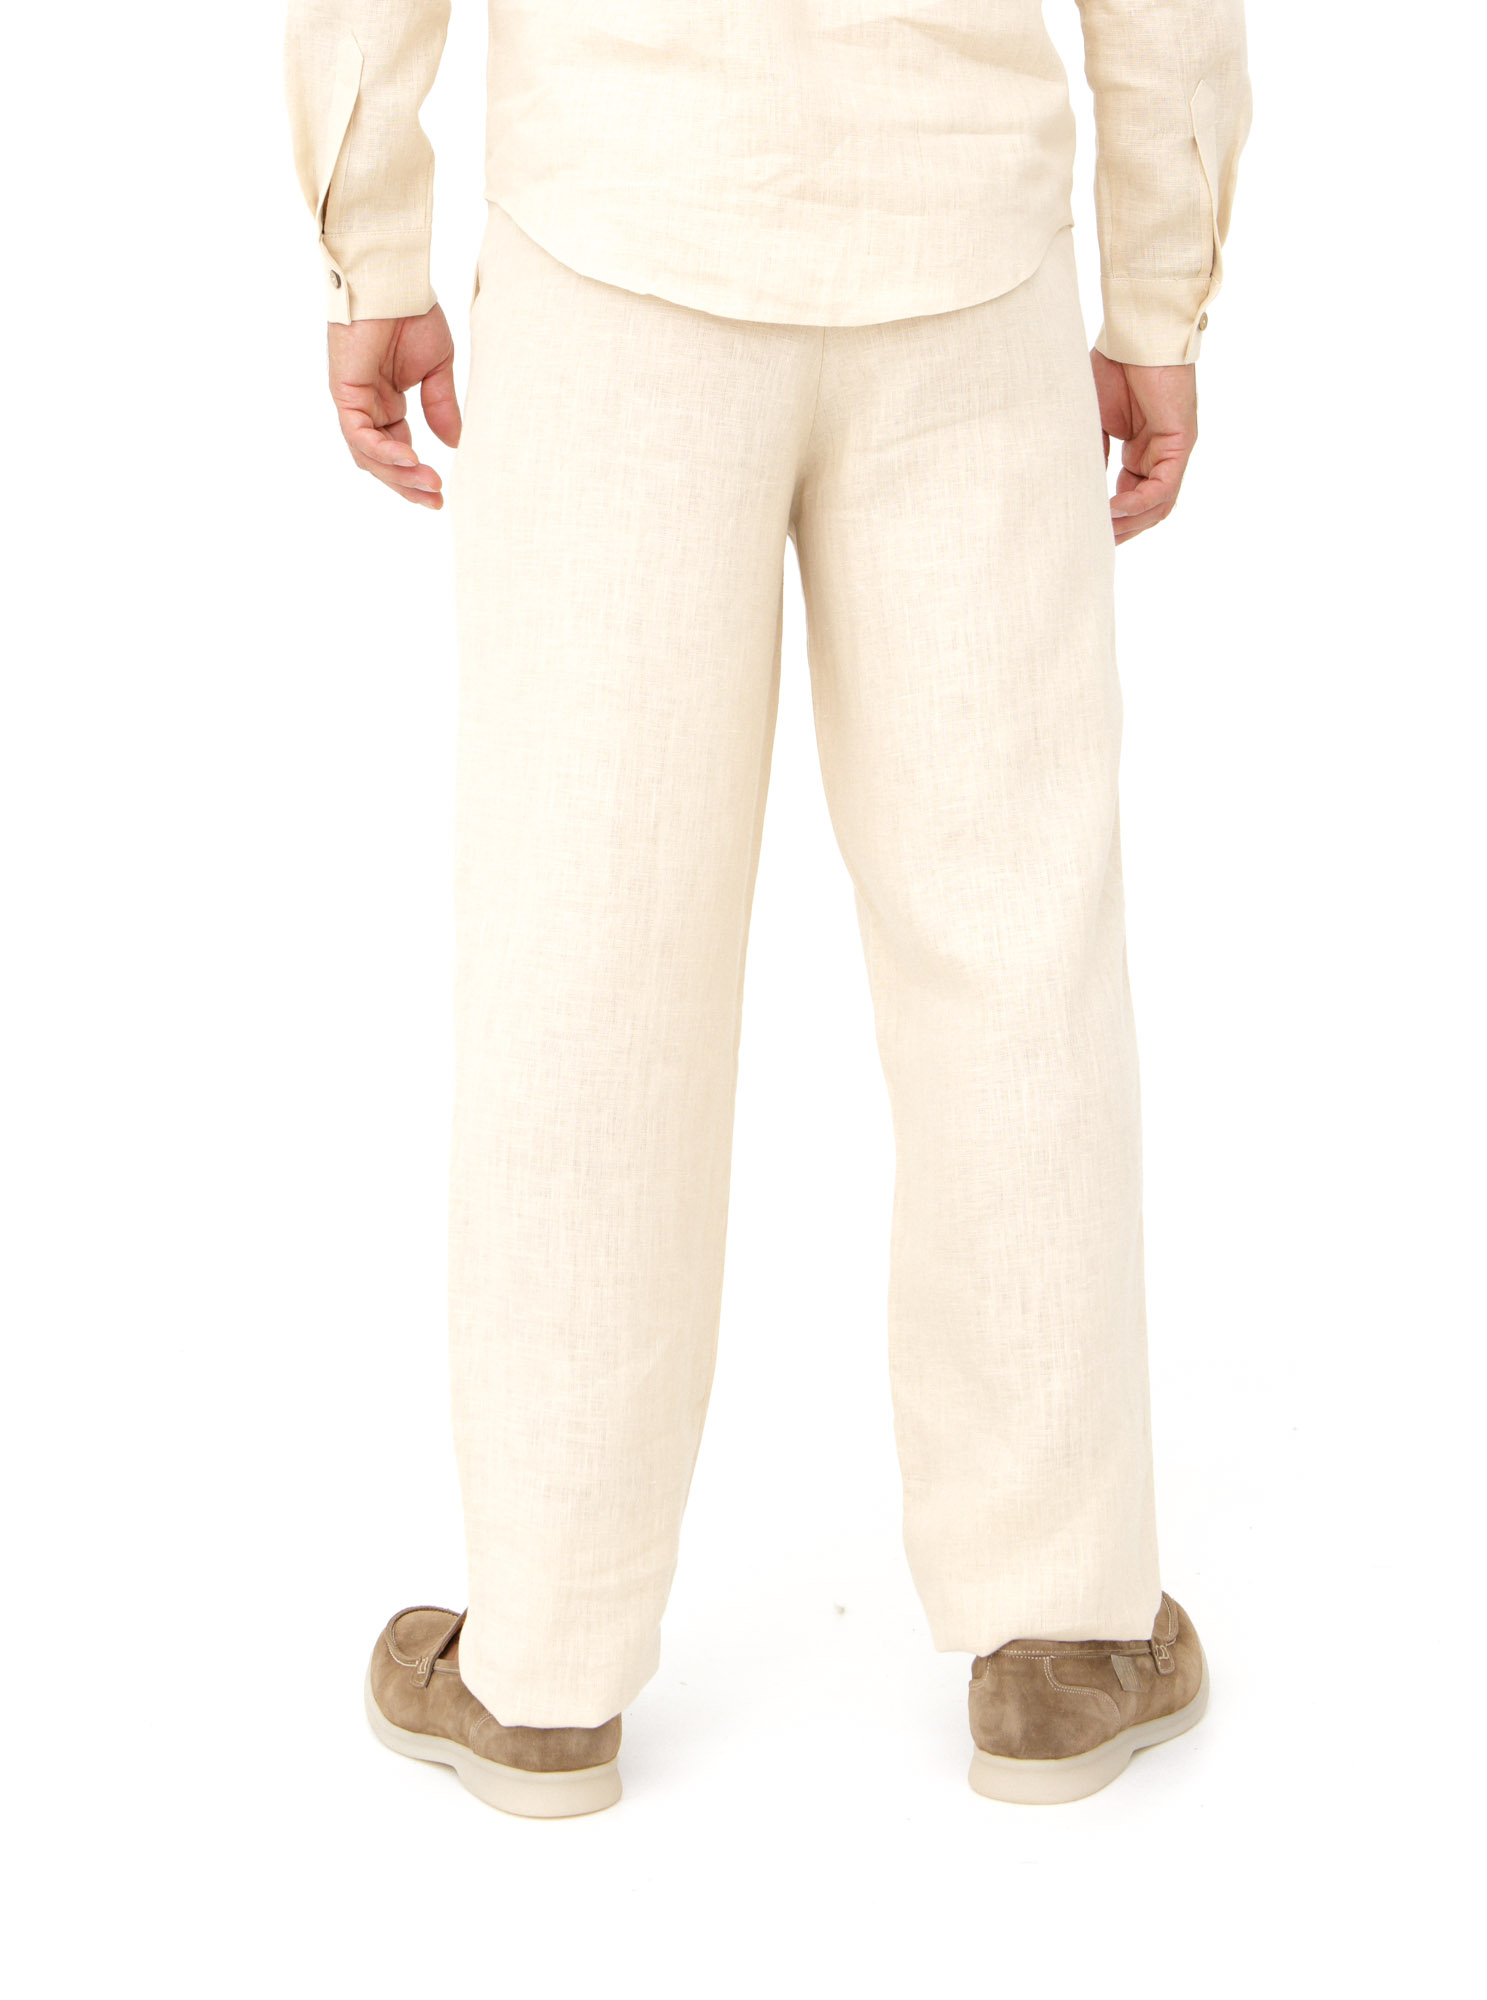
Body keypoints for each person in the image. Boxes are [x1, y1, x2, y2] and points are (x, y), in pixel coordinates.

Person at [286, 0, 1251, 1816]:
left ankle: (542, 1662)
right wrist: (1158, 296)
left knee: (584, 943)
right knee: (1012, 947)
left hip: (616, 243)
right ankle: (1061, 1632)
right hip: (963, 259)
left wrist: (373, 246)